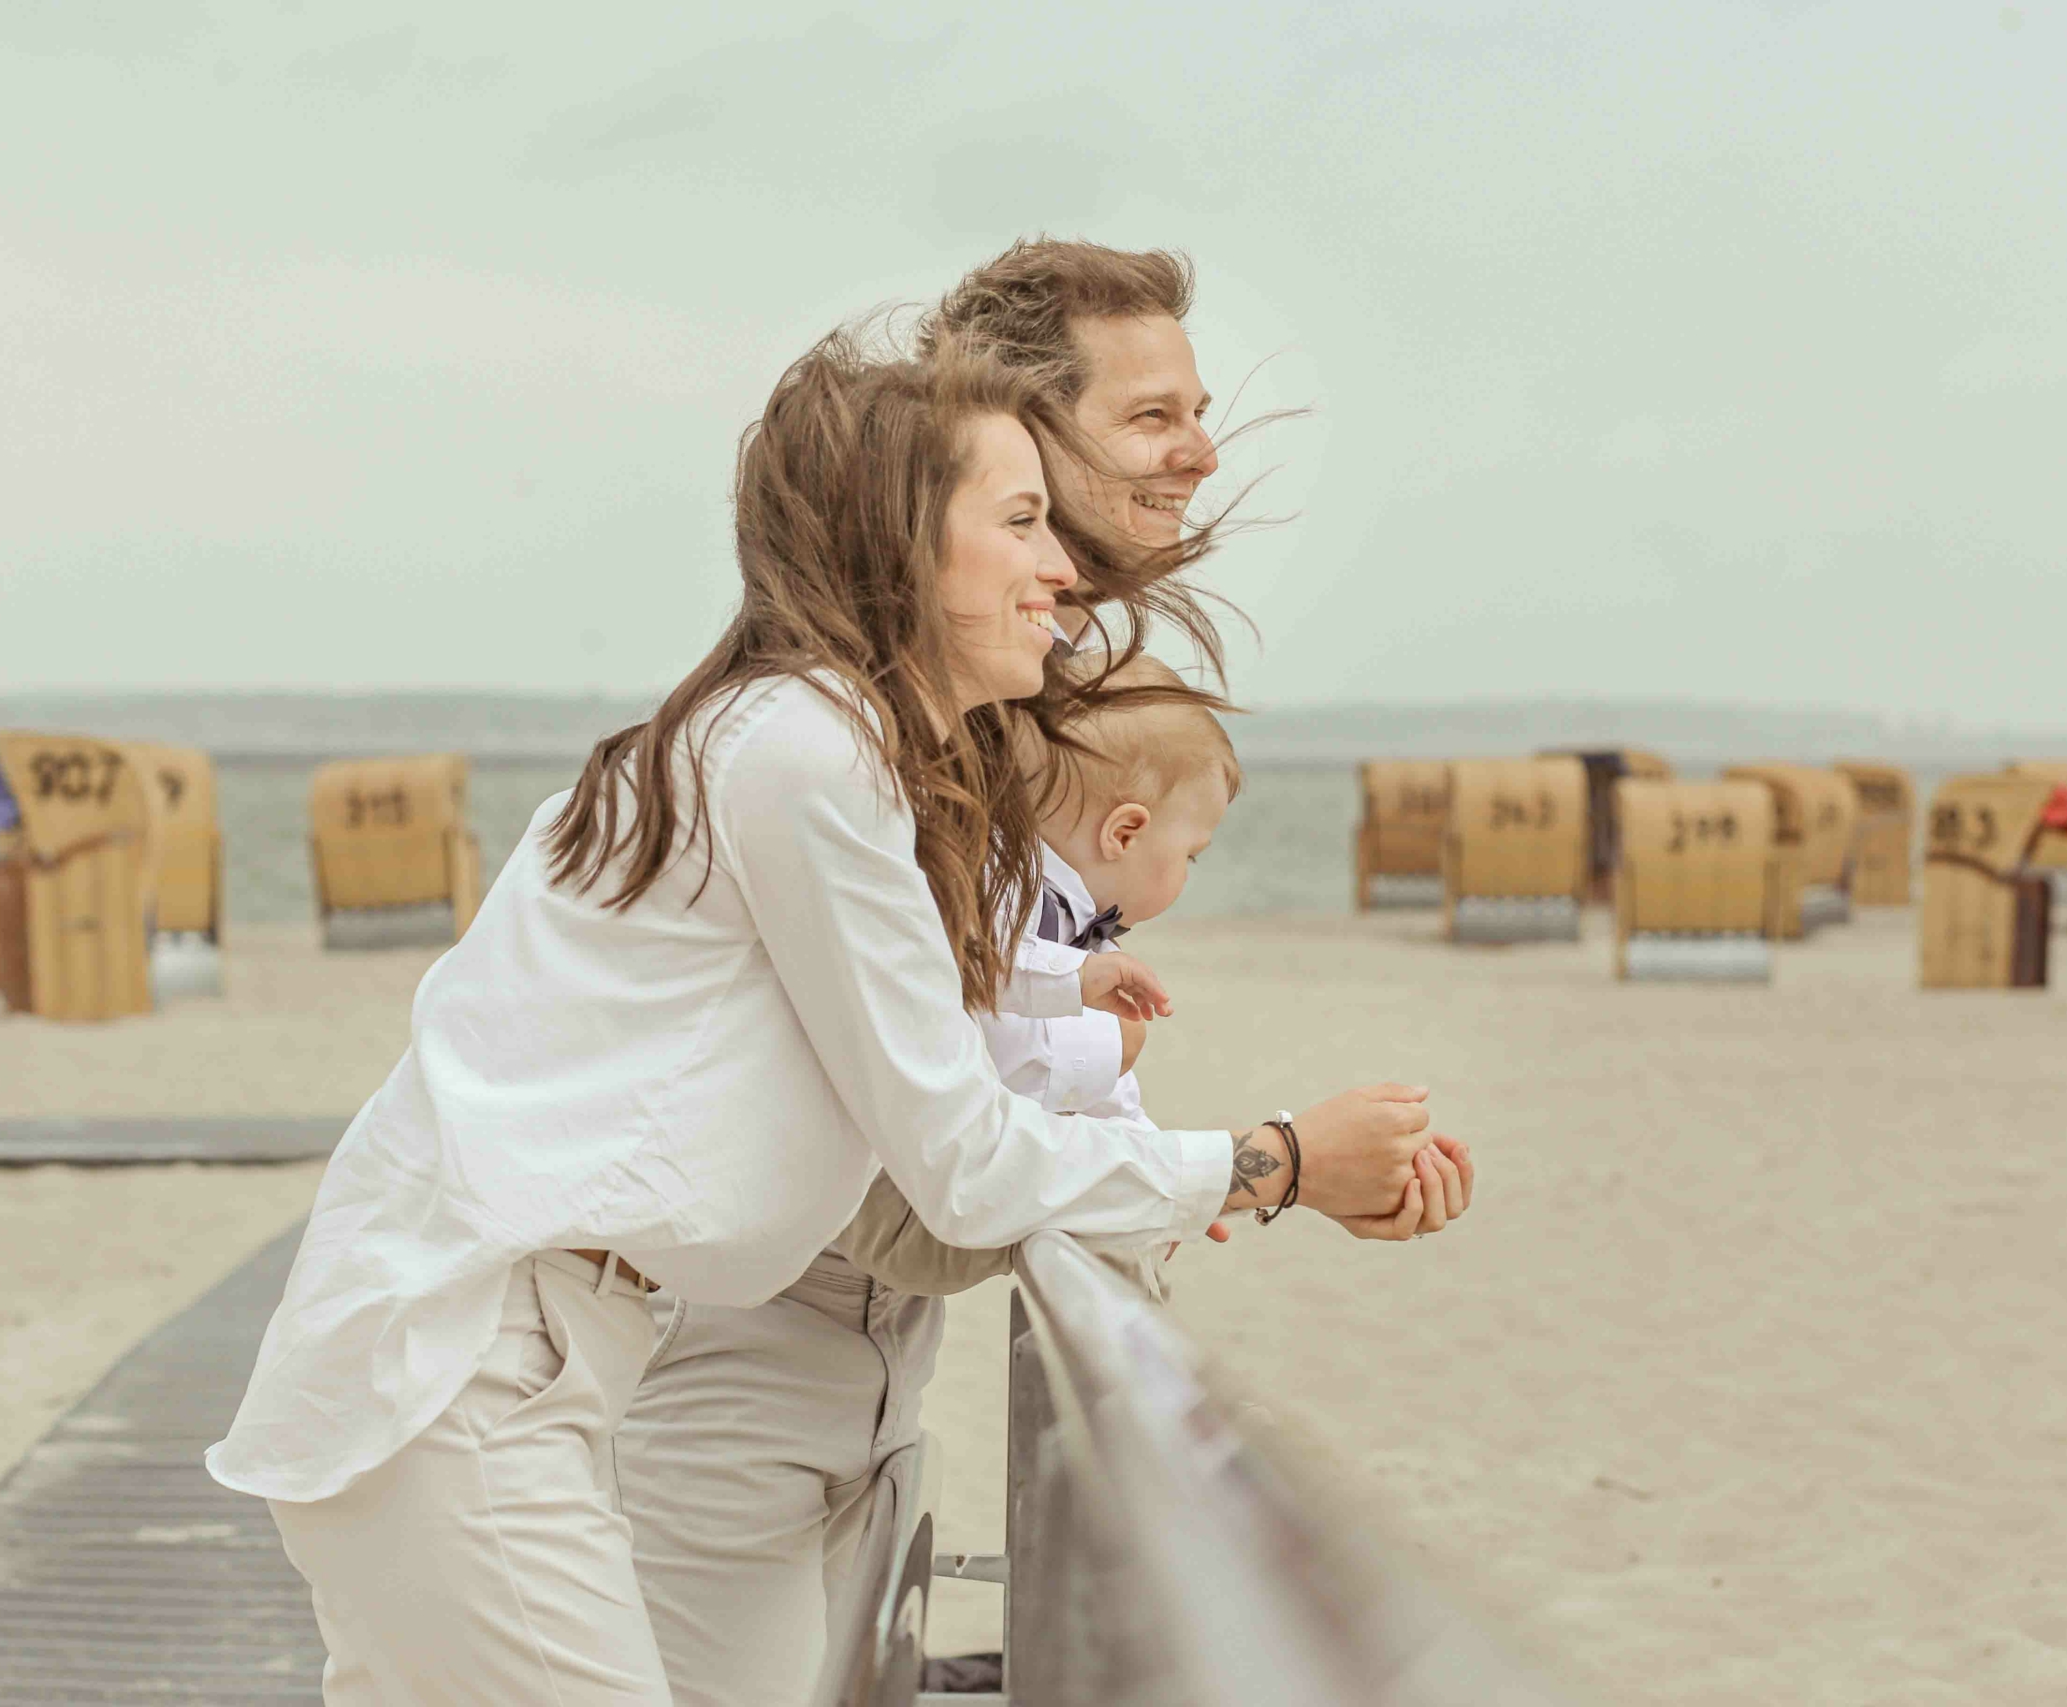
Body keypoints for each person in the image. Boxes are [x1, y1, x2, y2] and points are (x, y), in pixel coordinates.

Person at [208, 329, 1459, 1704]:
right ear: (904, 549)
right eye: (1025, 521)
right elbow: (964, 1161)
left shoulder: (798, 741)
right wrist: (1275, 1162)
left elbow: (907, 1066)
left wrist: (1046, 1002)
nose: (1060, 573)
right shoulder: (811, 753)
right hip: (463, 1374)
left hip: (512, 1368)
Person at [611, 244, 1473, 1707]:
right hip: (736, 1349)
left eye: (1199, 414)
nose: (1200, 455)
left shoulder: (1001, 698)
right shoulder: (863, 730)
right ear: (1004, 424)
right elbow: (946, 1150)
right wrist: (1272, 1166)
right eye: (1151, 419)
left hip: (860, 1365)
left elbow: (968, 1057)